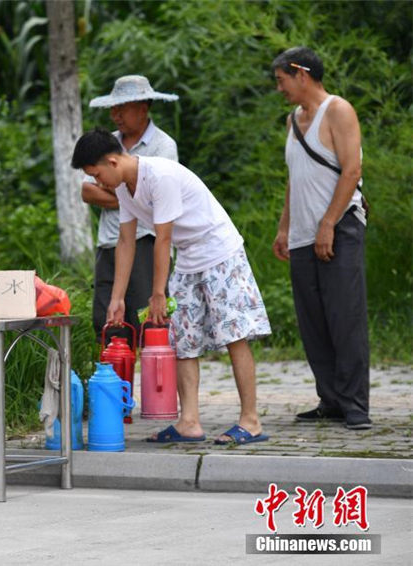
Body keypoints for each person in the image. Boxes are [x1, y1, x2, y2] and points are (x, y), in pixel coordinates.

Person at [71, 130, 272, 445]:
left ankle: (251, 421)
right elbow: (125, 241)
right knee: (182, 340)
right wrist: (117, 298)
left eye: (97, 175)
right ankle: (189, 422)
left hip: (220, 252)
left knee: (234, 335)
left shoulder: (159, 176)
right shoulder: (124, 187)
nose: (98, 183)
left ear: (112, 162)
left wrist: (158, 294)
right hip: (189, 256)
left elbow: (162, 239)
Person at [271, 47, 371, 430]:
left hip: (340, 228)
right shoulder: (292, 120)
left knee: (345, 318)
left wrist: (328, 223)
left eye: (281, 80)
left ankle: (355, 405)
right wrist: (285, 227)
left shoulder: (338, 110)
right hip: (302, 235)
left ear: (301, 73)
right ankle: (330, 399)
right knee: (313, 323)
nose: (279, 88)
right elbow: (295, 177)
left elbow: (352, 170)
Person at [82, 75, 179, 344]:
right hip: (109, 242)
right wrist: (129, 192)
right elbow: (87, 191)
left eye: (121, 108)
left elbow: (155, 200)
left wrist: (119, 191)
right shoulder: (106, 143)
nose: (115, 115)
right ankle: (116, 372)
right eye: (113, 109)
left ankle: (152, 371)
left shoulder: (163, 145)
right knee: (107, 322)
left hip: (146, 242)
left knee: (148, 322)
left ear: (143, 108)